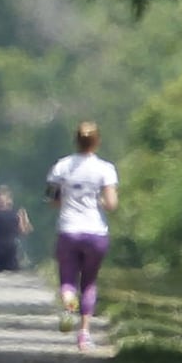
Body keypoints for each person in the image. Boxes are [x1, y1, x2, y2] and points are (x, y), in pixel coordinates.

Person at [45, 120, 119, 351]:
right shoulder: (105, 169)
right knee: (89, 282)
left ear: (75, 140)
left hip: (68, 230)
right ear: (97, 141)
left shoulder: (61, 167)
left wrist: (67, 199)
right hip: (95, 232)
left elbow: (52, 199)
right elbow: (111, 204)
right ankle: (84, 334)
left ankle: (68, 303)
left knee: (68, 280)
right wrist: (96, 199)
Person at [0, 185, 33, 272]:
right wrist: (25, 220)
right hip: (7, 246)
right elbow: (24, 231)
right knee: (11, 268)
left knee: (1, 268)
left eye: (1, 200)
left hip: (2, 246)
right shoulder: (16, 214)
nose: (1, 203)